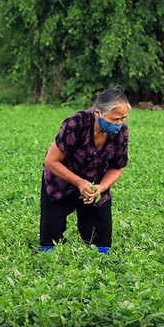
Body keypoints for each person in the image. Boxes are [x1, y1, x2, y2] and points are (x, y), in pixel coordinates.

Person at [40, 88, 131, 254]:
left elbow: (117, 167)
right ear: (98, 112)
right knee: (51, 239)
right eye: (114, 119)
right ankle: (49, 261)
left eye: (123, 118)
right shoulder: (76, 124)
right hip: (61, 180)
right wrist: (79, 182)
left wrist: (101, 188)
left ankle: (99, 265)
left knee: (101, 240)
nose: (119, 123)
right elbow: (51, 161)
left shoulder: (121, 133)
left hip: (94, 183)